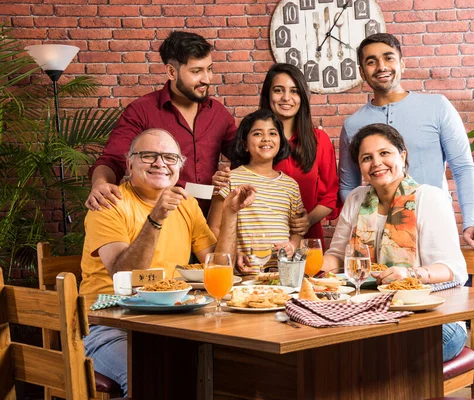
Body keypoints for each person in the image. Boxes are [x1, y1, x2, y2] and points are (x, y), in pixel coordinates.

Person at [80, 128, 255, 396]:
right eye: (148, 155)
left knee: (231, 369)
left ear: (179, 167)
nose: (160, 163)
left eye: (170, 157)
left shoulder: (186, 205)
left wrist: (230, 213)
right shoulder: (109, 203)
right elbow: (122, 274)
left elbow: (218, 267)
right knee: (149, 378)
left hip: (172, 322)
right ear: (129, 164)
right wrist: (156, 217)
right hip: (109, 325)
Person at [322, 123, 468, 362]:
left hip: (434, 317)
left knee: (374, 356)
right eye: (367, 158)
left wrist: (410, 273)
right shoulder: (357, 198)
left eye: (384, 153)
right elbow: (337, 256)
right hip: (372, 315)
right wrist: (307, 268)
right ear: (360, 166)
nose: (376, 163)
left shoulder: (429, 198)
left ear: (402, 155)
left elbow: (453, 270)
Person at [338, 33, 474, 250]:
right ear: (362, 73)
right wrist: (362, 221)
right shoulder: (353, 124)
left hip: (433, 224)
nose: (381, 66)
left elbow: (463, 168)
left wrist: (471, 222)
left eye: (389, 58)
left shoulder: (438, 107)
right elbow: (348, 186)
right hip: (376, 234)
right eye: (371, 62)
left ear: (402, 64)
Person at [85, 31, 237, 216]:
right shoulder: (141, 111)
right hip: (160, 220)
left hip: (210, 223)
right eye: (196, 71)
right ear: (171, 72)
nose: (207, 78)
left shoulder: (218, 113)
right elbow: (112, 159)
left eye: (209, 68)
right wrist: (100, 184)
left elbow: (246, 156)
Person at [213, 63, 340, 246]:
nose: (286, 98)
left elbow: (330, 195)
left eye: (294, 91)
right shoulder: (254, 143)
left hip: (306, 237)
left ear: (302, 96)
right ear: (268, 94)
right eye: (278, 90)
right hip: (255, 243)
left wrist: (307, 221)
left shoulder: (319, 140)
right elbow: (237, 190)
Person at [208, 109, 304, 272]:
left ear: (280, 140)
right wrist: (234, 253)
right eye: (258, 134)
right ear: (245, 144)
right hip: (244, 273)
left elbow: (297, 230)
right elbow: (213, 227)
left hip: (281, 273)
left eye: (273, 133)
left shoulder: (291, 185)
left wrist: (292, 245)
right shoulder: (230, 179)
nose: (266, 138)